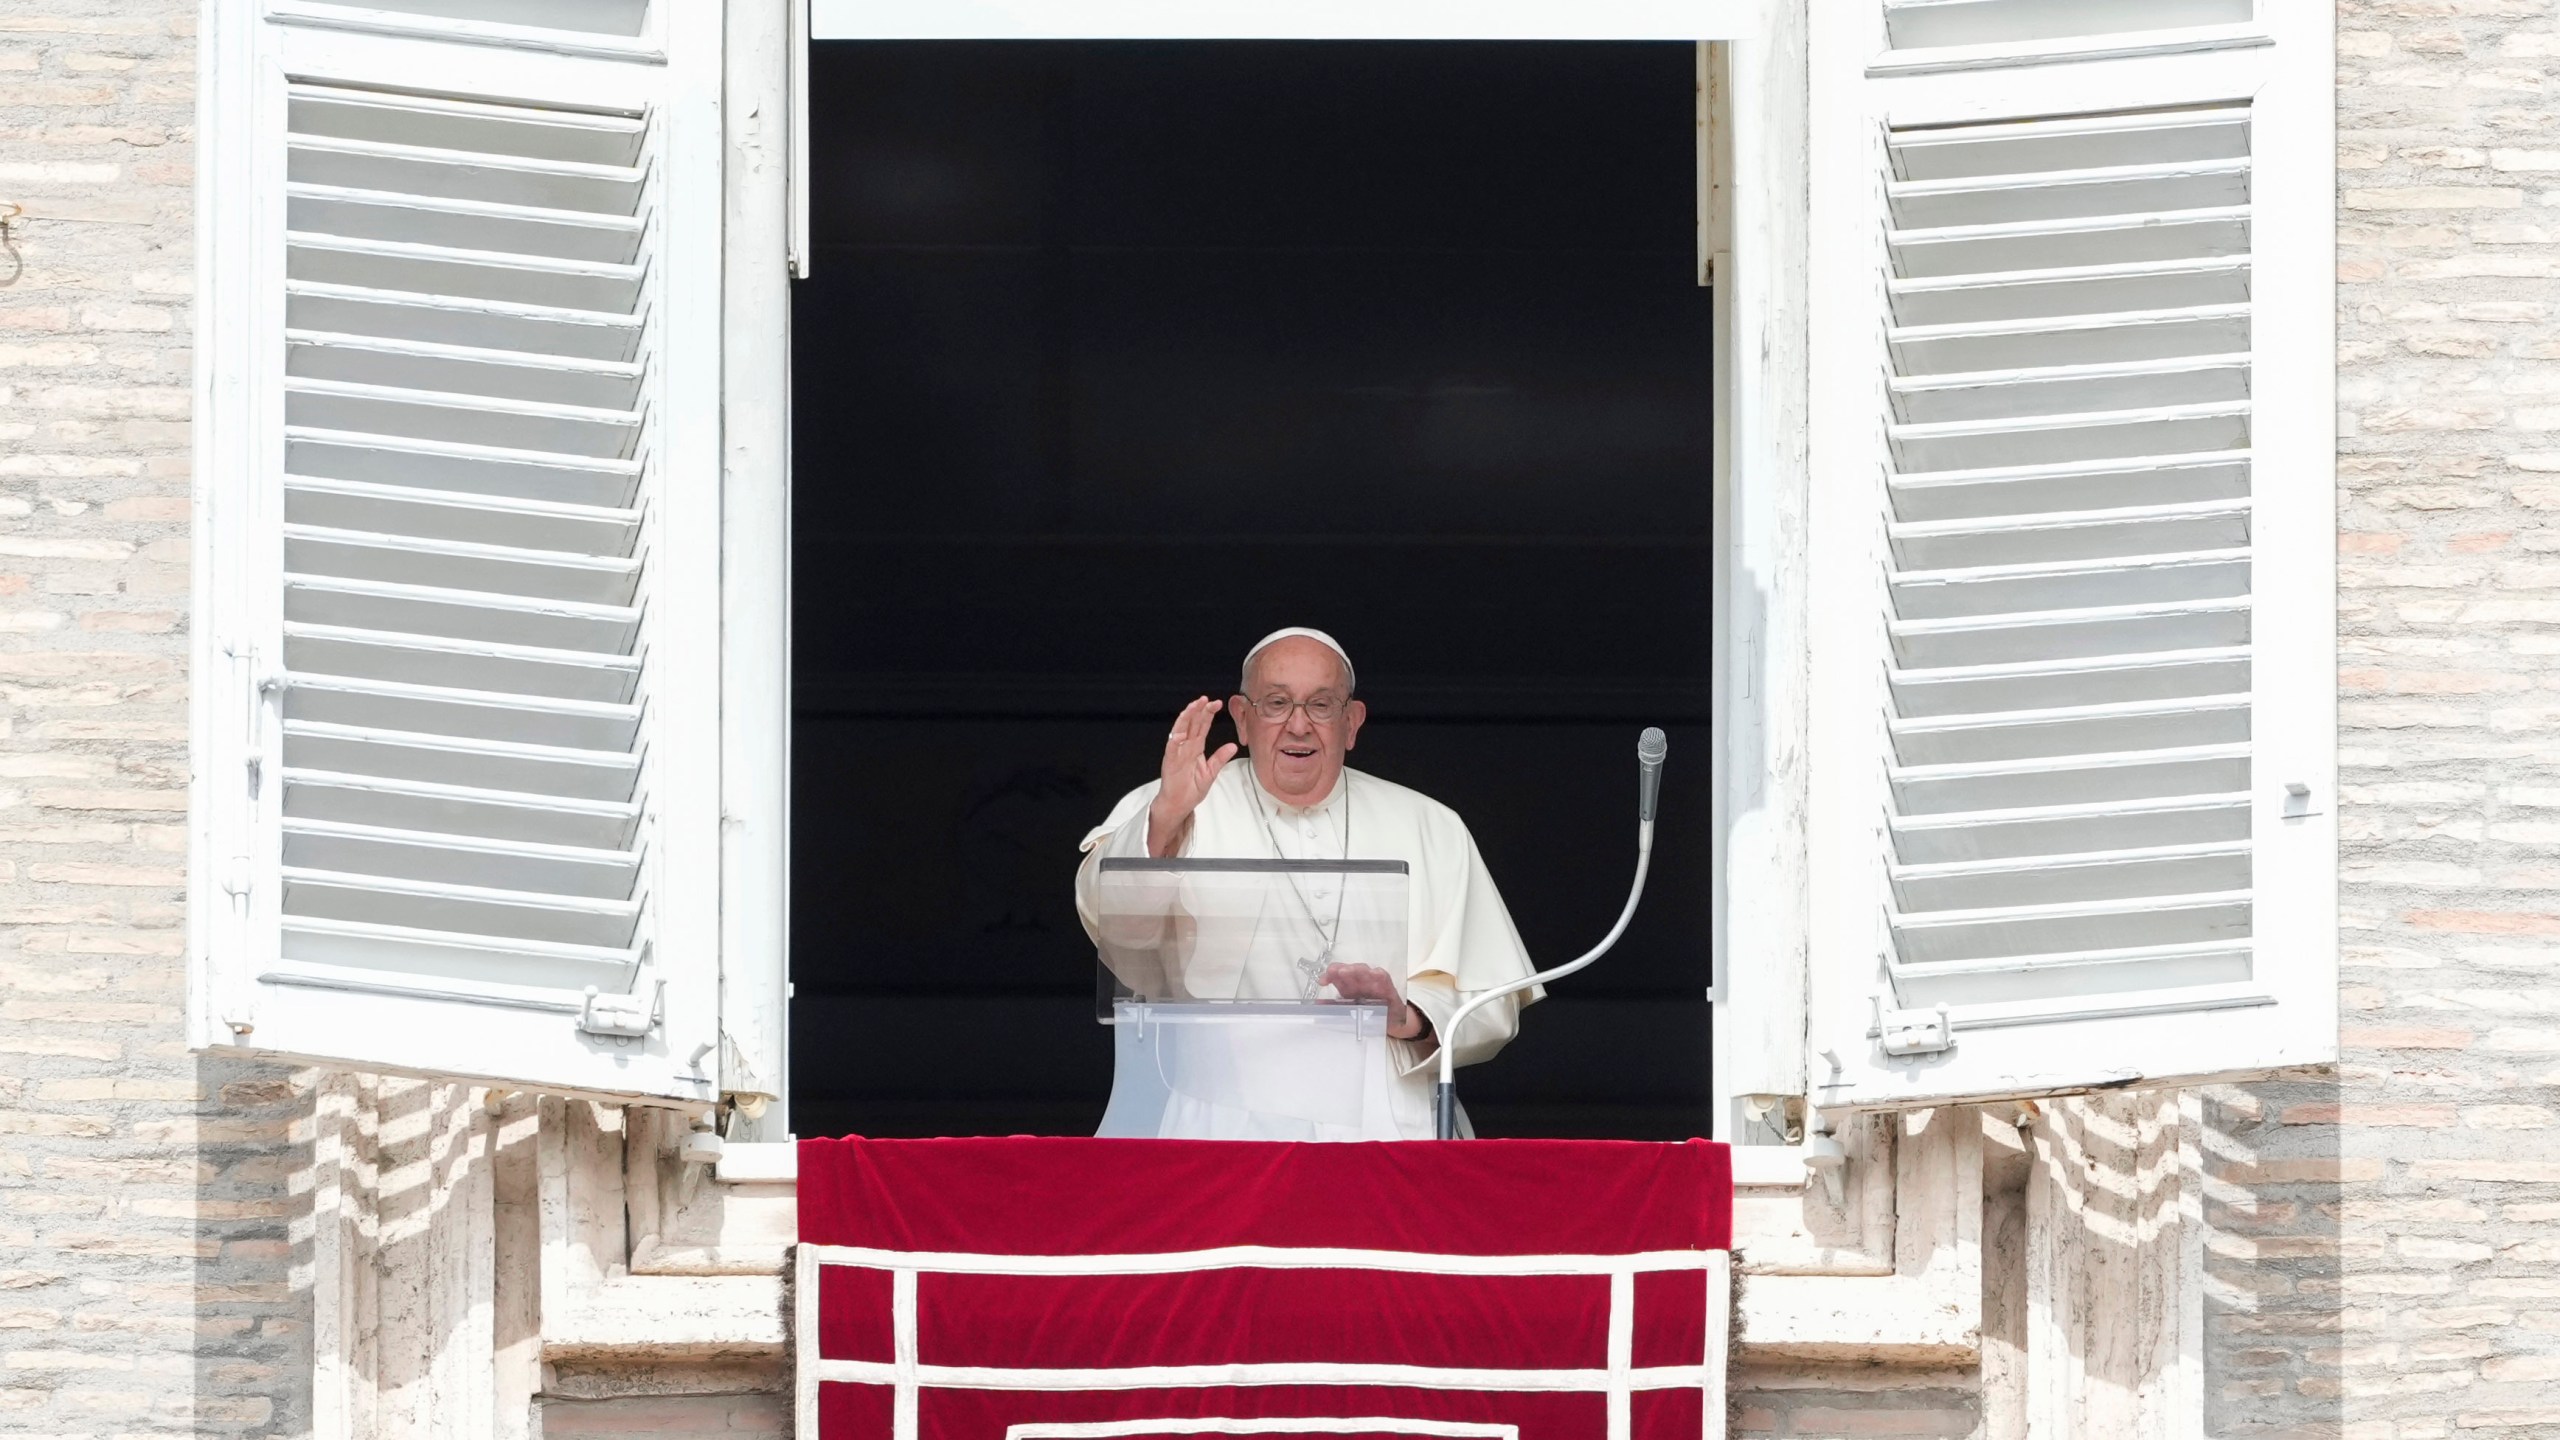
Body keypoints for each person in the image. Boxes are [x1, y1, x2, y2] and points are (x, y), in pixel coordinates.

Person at [1075, 627, 1539, 1139]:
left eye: (1321, 705)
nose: (1298, 725)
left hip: (1387, 1121)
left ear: (1352, 722)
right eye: (1276, 703)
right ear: (1242, 719)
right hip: (1222, 1117)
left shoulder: (1432, 825)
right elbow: (1114, 926)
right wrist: (1164, 819)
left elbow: (1491, 1000)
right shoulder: (1175, 804)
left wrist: (1408, 1017)